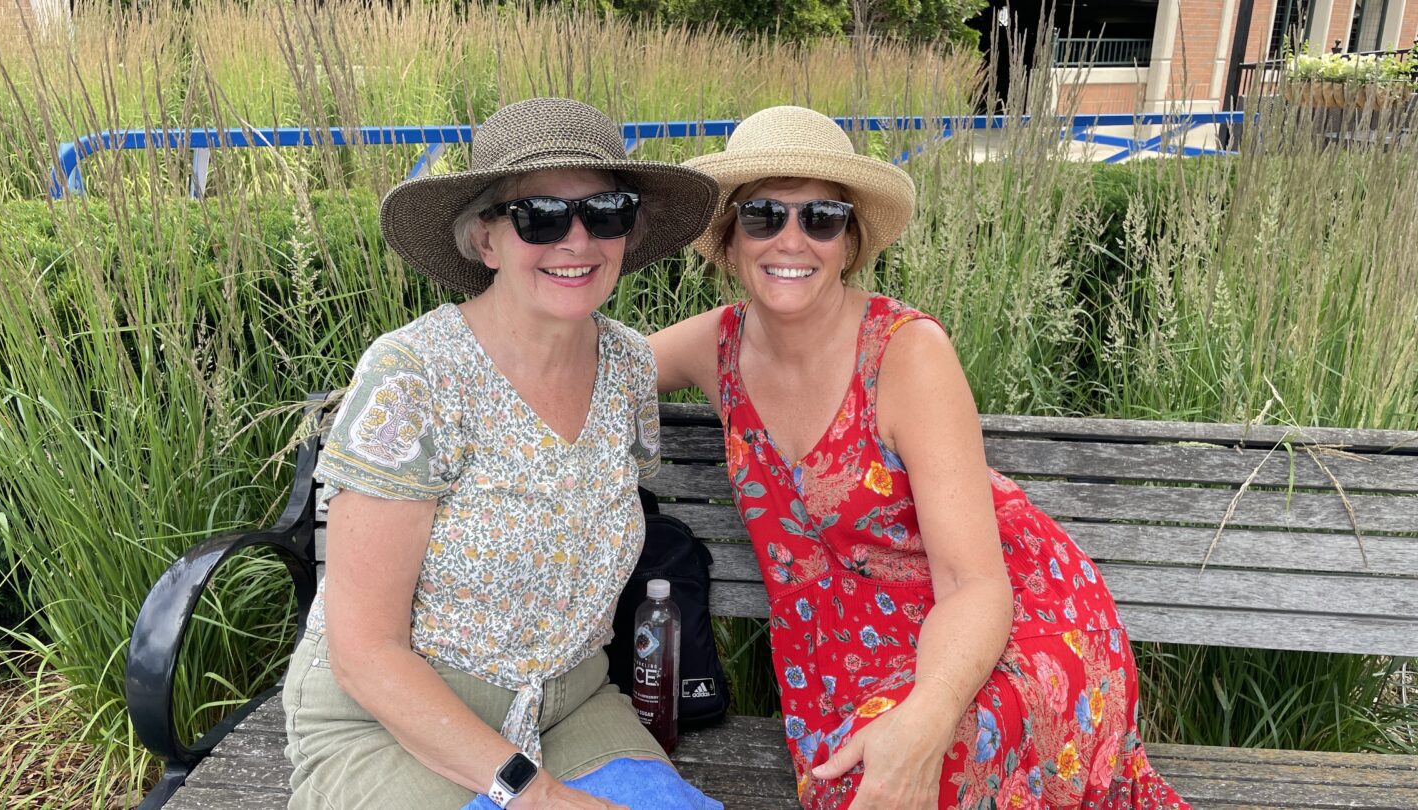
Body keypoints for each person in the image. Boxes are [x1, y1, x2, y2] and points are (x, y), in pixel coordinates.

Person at [649, 106, 1189, 810]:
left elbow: (974, 582)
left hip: (993, 629)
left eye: (821, 218)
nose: (792, 239)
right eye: (763, 215)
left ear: (849, 240)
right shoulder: (714, 345)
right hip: (841, 663)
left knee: (929, 770)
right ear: (728, 237)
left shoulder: (905, 354)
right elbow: (587, 365)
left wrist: (928, 716)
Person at [280, 97, 722, 810]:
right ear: (486, 240)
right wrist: (538, 795)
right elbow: (365, 654)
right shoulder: (415, 377)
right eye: (539, 216)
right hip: (398, 721)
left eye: (604, 211)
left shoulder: (631, 368)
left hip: (573, 705)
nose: (575, 241)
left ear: (628, 231)